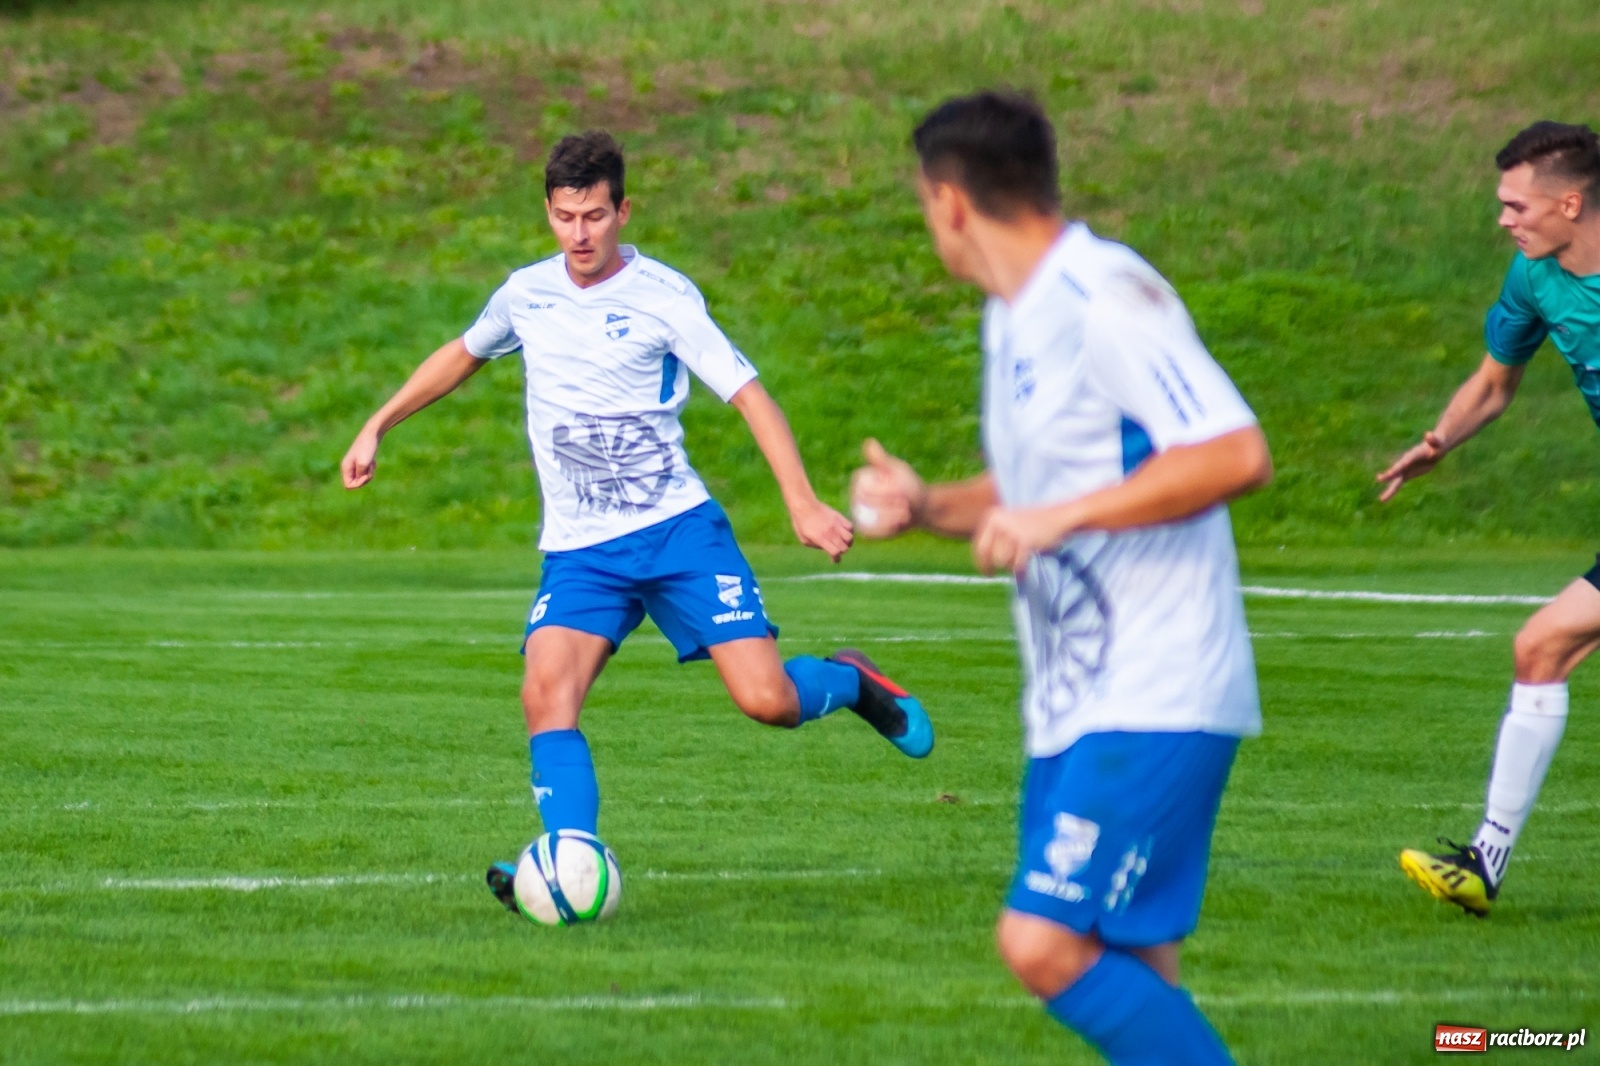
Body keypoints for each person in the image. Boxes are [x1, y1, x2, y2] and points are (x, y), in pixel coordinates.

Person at [340, 130, 933, 914]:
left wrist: (800, 499)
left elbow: (750, 394)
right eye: (562, 217)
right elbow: (464, 352)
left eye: (593, 216)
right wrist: (379, 422)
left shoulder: (665, 297)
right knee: (544, 694)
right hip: (583, 552)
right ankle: (568, 861)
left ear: (624, 210)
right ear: (547, 214)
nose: (579, 234)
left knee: (768, 703)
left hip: (678, 533)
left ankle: (852, 683)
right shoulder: (527, 293)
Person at [851, 92, 1272, 1065]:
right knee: (1136, 966)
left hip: (1156, 687)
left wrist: (1060, 516)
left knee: (1038, 942)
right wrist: (925, 504)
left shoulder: (1101, 292)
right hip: (1076, 699)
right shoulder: (1017, 318)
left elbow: (1231, 451)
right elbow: (1032, 489)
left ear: (949, 201)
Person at [1385, 121, 1600, 917]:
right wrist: (1438, 440)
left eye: (1516, 206)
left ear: (1569, 203)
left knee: (1543, 643)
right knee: (1541, 647)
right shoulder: (1535, 279)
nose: (1504, 219)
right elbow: (1491, 382)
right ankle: (1483, 864)